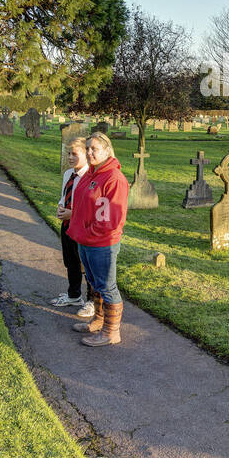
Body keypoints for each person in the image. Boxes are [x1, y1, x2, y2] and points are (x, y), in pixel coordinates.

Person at [69, 131, 132, 347]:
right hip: (86, 240)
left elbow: (110, 219)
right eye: (87, 148)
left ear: (107, 150)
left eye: (94, 148)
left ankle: (111, 332)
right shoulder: (91, 173)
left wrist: (88, 233)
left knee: (107, 286)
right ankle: (99, 320)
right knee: (95, 284)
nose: (89, 152)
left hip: (102, 243)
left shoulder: (114, 178)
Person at [46, 134, 91, 317]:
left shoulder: (90, 176)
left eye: (74, 153)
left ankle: (91, 301)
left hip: (82, 226)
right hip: (67, 225)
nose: (70, 157)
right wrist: (60, 206)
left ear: (86, 154)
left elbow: (91, 207)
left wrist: (74, 214)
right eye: (68, 154)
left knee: (86, 264)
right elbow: (65, 195)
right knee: (70, 261)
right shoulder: (68, 174)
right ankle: (74, 295)